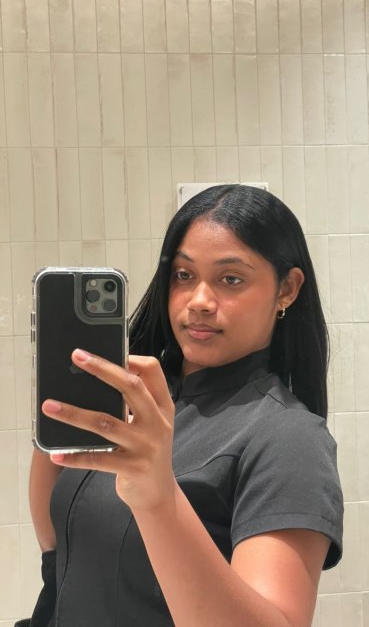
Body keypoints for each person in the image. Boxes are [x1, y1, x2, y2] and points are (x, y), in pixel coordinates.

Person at [23, 184, 343, 627]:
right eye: (183, 275)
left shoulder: (290, 438)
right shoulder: (140, 399)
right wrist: (57, 407)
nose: (199, 302)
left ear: (286, 289)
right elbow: (60, 546)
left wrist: (158, 496)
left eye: (231, 279)